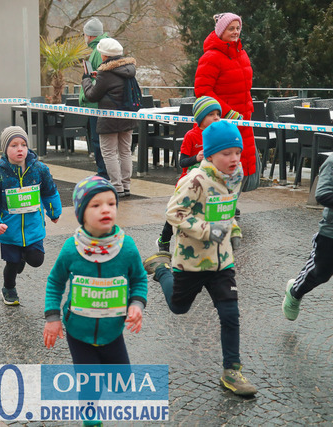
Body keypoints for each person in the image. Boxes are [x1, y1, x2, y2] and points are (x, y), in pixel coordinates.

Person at [143, 121, 257, 396]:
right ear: (210, 154)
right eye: (226, 153)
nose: (234, 159)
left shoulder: (234, 176)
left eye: (237, 152)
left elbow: (227, 210)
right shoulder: (195, 181)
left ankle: (232, 371)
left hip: (222, 262)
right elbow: (174, 213)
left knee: (230, 313)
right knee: (178, 307)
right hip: (191, 261)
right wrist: (209, 231)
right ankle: (161, 268)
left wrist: (234, 230)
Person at [43, 174, 146, 377]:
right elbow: (55, 282)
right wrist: (52, 317)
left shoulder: (127, 247)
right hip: (78, 332)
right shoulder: (71, 248)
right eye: (96, 205)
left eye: (111, 203)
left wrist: (137, 304)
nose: (106, 209)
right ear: (81, 213)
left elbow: (139, 279)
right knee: (90, 388)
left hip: (112, 332)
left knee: (121, 384)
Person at [0, 126, 62, 305]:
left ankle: (23, 257)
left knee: (37, 260)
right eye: (14, 145)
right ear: (5, 149)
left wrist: (54, 212)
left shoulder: (39, 170)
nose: (20, 149)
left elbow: (49, 191)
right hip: (9, 231)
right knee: (12, 264)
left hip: (33, 227)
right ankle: (9, 289)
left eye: (23, 145)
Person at [195, 13, 256, 186]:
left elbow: (245, 88)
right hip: (222, 122)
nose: (235, 32)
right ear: (221, 31)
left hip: (243, 120)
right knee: (221, 171)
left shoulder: (241, 54)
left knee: (238, 170)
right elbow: (203, 90)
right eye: (231, 28)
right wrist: (228, 112)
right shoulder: (211, 57)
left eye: (238, 28)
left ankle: (232, 199)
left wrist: (248, 109)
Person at [157, 96, 221, 252]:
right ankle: (164, 240)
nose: (216, 117)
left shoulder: (218, 135)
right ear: (200, 118)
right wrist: (196, 158)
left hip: (209, 183)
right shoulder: (191, 136)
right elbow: (182, 162)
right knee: (177, 212)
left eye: (218, 114)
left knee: (204, 213)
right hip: (188, 184)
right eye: (211, 114)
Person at [81, 38, 137, 197]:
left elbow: (92, 95)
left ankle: (116, 186)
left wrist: (86, 80)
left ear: (105, 55)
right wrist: (98, 77)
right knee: (125, 152)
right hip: (127, 116)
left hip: (109, 119)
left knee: (109, 153)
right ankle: (126, 185)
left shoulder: (105, 73)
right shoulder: (129, 69)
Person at [283, 154, 333, 321]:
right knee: (320, 273)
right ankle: (295, 292)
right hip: (331, 232)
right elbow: (322, 194)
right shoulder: (332, 162)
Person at [78, 17, 109, 180]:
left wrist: (86, 92)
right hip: (104, 104)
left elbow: (97, 79)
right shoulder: (104, 47)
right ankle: (107, 172)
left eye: (85, 34)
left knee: (98, 141)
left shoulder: (97, 51)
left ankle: (103, 173)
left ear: (89, 35)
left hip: (96, 105)